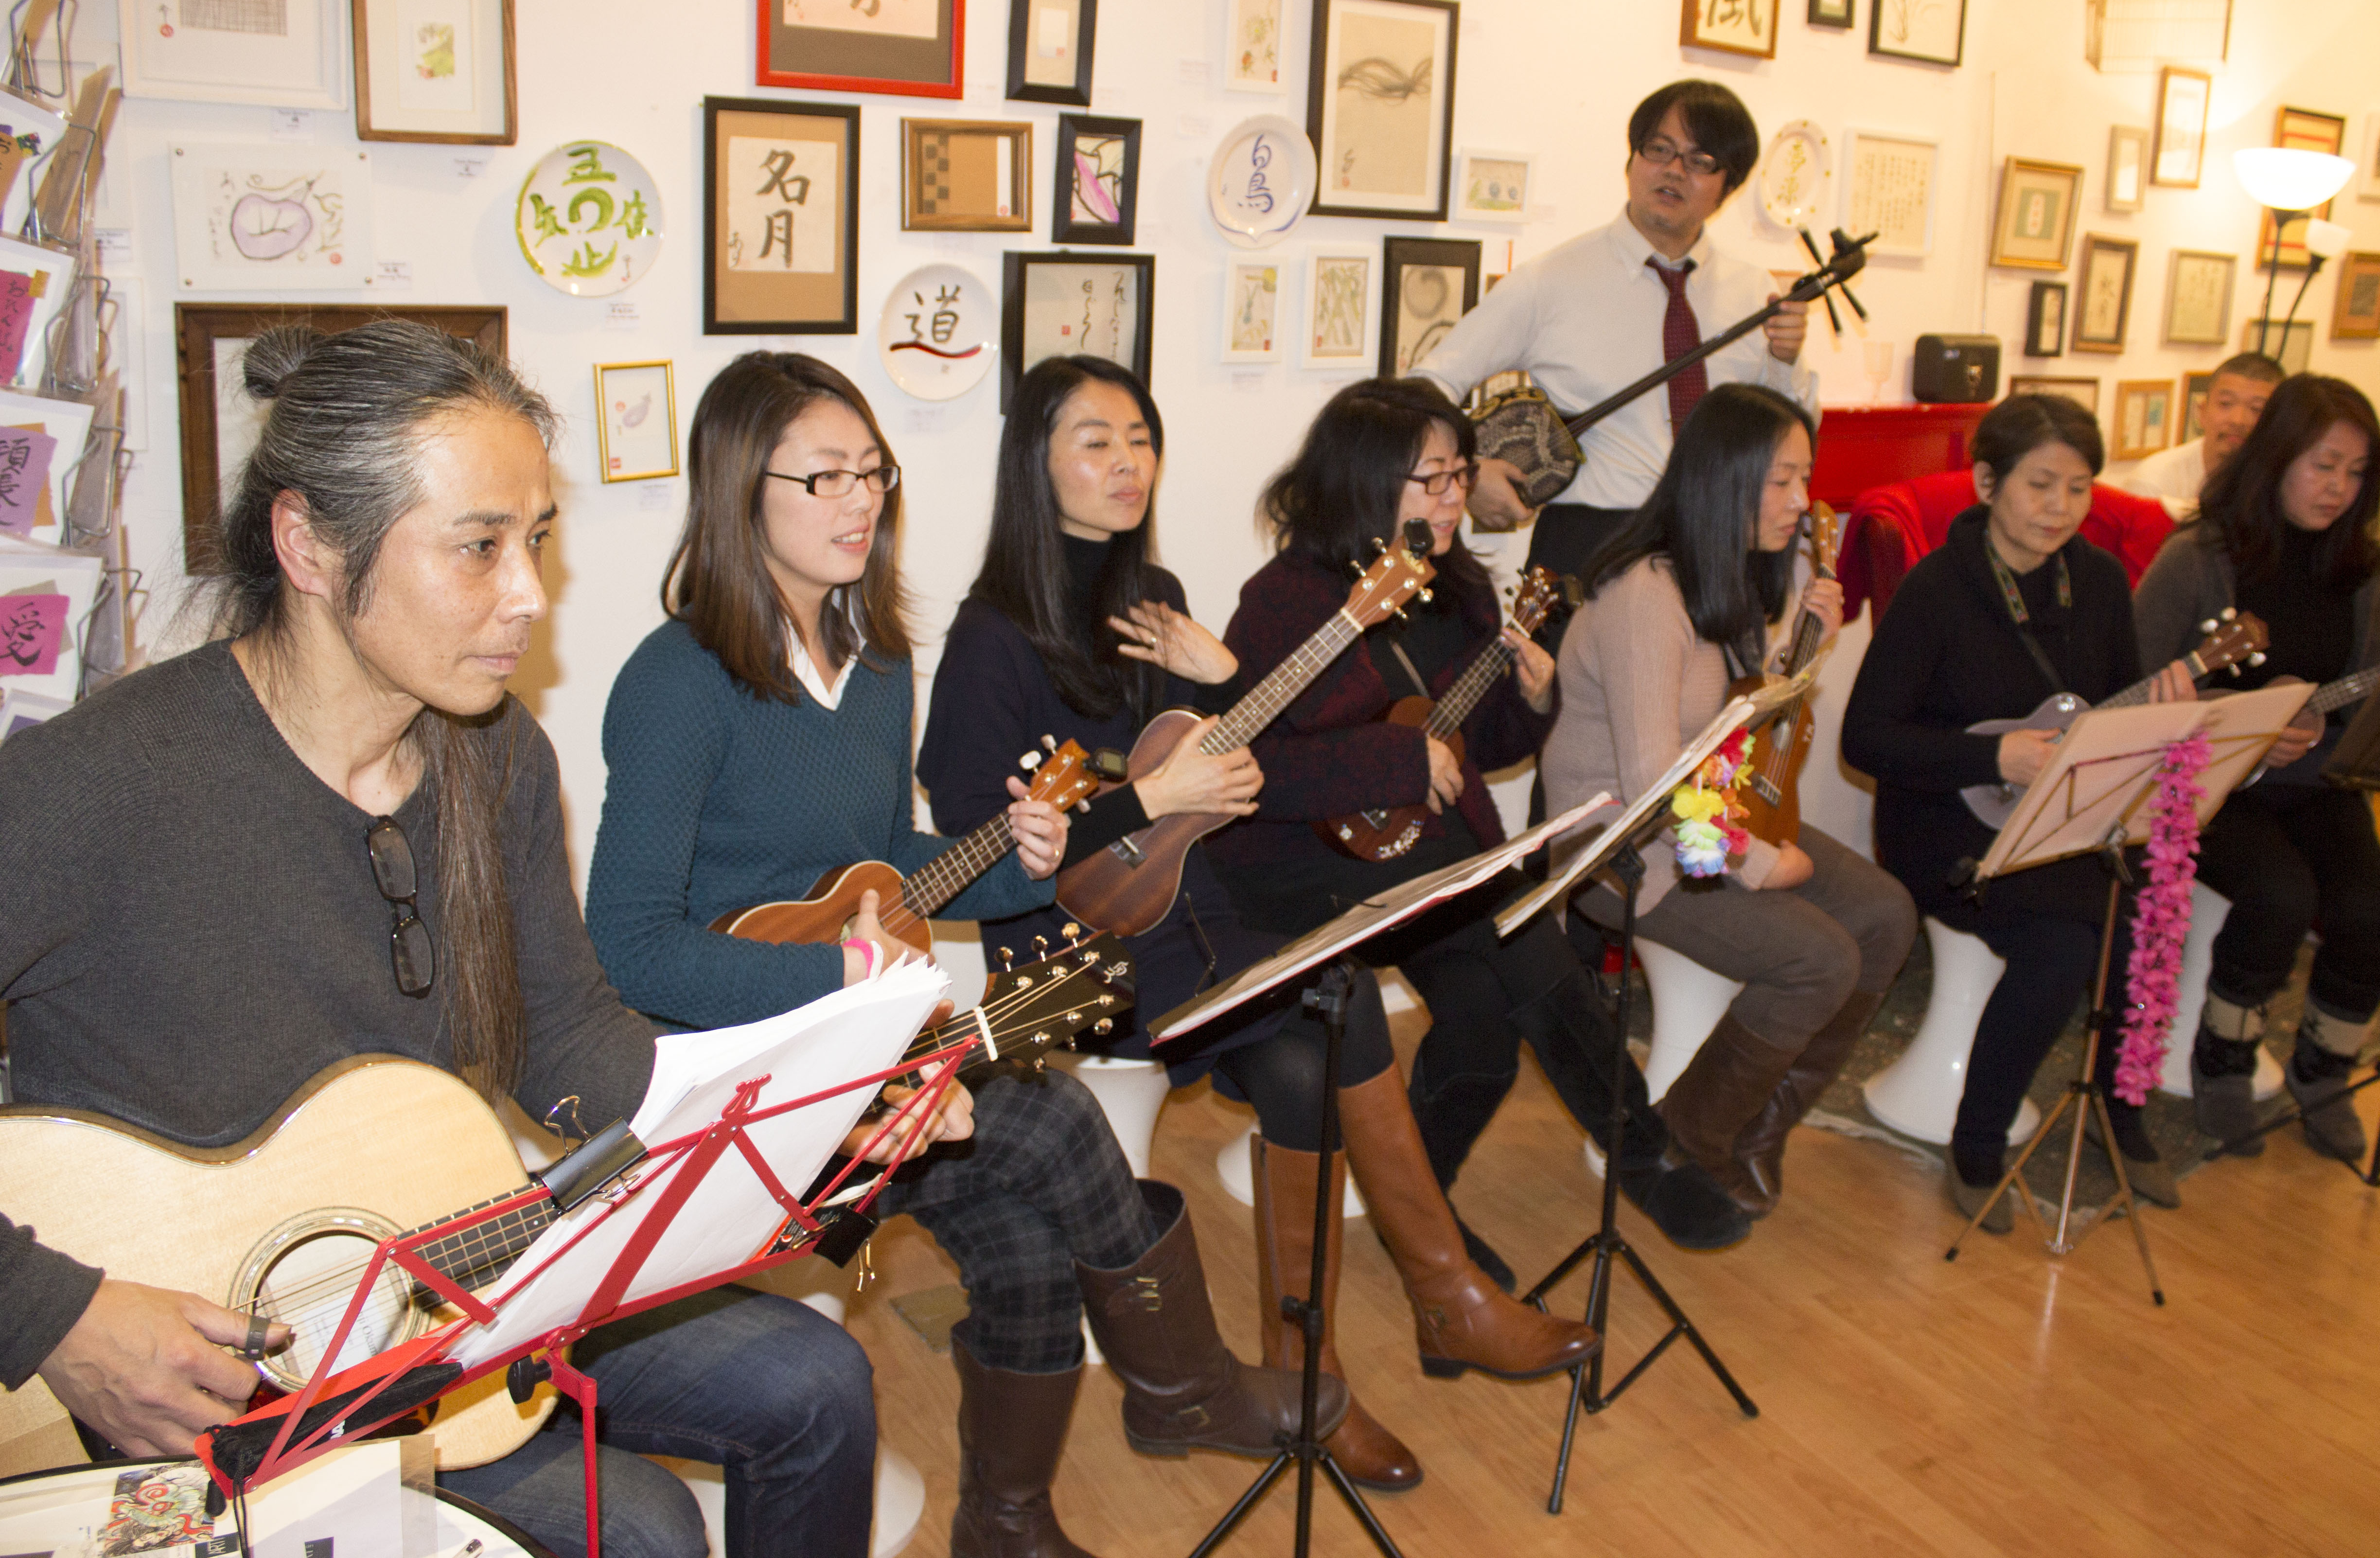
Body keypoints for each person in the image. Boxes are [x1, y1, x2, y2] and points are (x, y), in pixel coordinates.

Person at [0, 321, 885, 1558]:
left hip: (419, 1283)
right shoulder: (99, 780)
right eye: (478, 547)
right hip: (169, 1376)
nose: (528, 592)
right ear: (308, 543)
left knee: (815, 1383)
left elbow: (565, 1034)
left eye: (534, 541)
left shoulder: (492, 754)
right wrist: (56, 1316)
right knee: (637, 1524)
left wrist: (816, 1107)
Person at [582, 351, 1336, 1558]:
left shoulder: (876, 659)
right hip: (740, 1081)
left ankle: (1009, 1520)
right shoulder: (678, 683)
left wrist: (1026, 853)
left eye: (871, 472)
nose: (859, 501)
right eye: (820, 478)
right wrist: (834, 974)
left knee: (1031, 1232)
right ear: (738, 492)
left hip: (861, 1041)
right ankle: (1183, 1386)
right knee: (1048, 1115)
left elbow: (892, 867)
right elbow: (626, 949)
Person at [917, 356, 1597, 1497]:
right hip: (1071, 955)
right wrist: (1156, 799)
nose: (1127, 461)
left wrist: (1222, 685)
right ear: (1032, 464)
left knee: (1325, 1020)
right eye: (1094, 441)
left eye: (1140, 435)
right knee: (1327, 1022)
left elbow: (1210, 770)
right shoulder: (993, 636)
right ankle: (1433, 1302)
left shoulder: (1157, 593)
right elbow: (979, 836)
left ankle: (1316, 1368)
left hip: (1184, 917)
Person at [1203, 378, 1748, 1267]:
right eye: (1433, 479)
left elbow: (1468, 744)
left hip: (1424, 854)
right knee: (1522, 936)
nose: (1457, 498)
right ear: (1364, 481)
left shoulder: (1457, 587)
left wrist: (1532, 702)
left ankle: (1422, 1223)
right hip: (1297, 865)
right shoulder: (1284, 600)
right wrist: (1395, 762)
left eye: (1460, 474)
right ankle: (1641, 1155)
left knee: (1486, 1033)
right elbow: (1249, 771)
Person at [1543, 384, 1918, 1238]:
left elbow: (1737, 712)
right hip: (1620, 848)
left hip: (1705, 808)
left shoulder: (1730, 574)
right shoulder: (1645, 593)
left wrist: (1796, 642)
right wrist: (1755, 862)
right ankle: (1681, 1140)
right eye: (1779, 481)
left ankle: (1756, 1129)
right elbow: (1648, 773)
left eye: (1804, 480)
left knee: (1885, 914)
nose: (1800, 502)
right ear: (1723, 481)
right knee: (1818, 957)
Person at [1843, 393, 2194, 1230]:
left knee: (2154, 898)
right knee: (2065, 940)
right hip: (1943, 823)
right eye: (2039, 485)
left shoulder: (2101, 583)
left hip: (2061, 813)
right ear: (1986, 482)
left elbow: (2112, 714)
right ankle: (1976, 1137)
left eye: (2077, 490)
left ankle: (2120, 1103)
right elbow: (1865, 738)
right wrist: (1989, 756)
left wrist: (2162, 712)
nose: (2058, 510)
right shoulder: (1937, 589)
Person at [2132, 375, 2380, 1162]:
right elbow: (2135, 690)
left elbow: (2362, 691)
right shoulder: (2197, 559)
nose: (2337, 489)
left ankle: (2323, 1068)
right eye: (2322, 466)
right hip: (2207, 784)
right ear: (2276, 456)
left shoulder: (2364, 571)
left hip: (2312, 780)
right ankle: (2221, 1059)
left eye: (2354, 474)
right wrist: (2236, 726)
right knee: (2278, 894)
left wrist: (2326, 718)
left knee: (2371, 911)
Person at [1414, 79, 1816, 580]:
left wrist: (1784, 362)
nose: (1673, 170)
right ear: (1631, 161)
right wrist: (1469, 475)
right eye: (1658, 149)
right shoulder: (1551, 282)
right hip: (1592, 545)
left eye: (1699, 160)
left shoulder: (1755, 293)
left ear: (1727, 187)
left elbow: (1787, 439)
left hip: (1718, 543)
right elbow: (1426, 385)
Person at [2113, 352, 2285, 520]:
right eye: (2225, 404)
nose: (2238, 421)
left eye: (2257, 409)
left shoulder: (2284, 485)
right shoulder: (2152, 485)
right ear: (2202, 412)